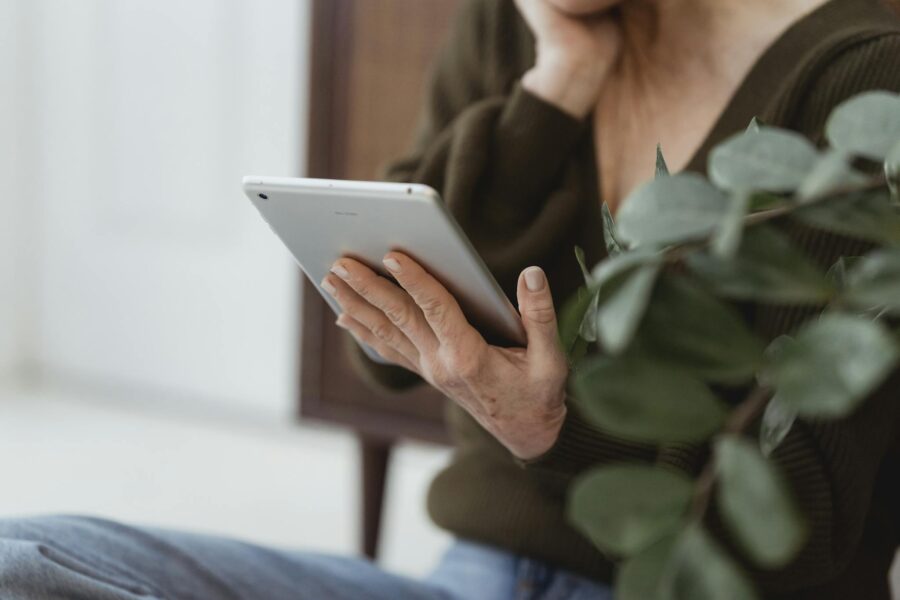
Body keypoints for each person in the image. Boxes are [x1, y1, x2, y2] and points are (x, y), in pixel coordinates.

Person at [2, 0, 899, 598]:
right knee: (22, 563)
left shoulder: (860, 76)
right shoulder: (524, 29)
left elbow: (805, 519)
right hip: (470, 578)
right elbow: (376, 358)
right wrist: (556, 85)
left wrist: (556, 425)